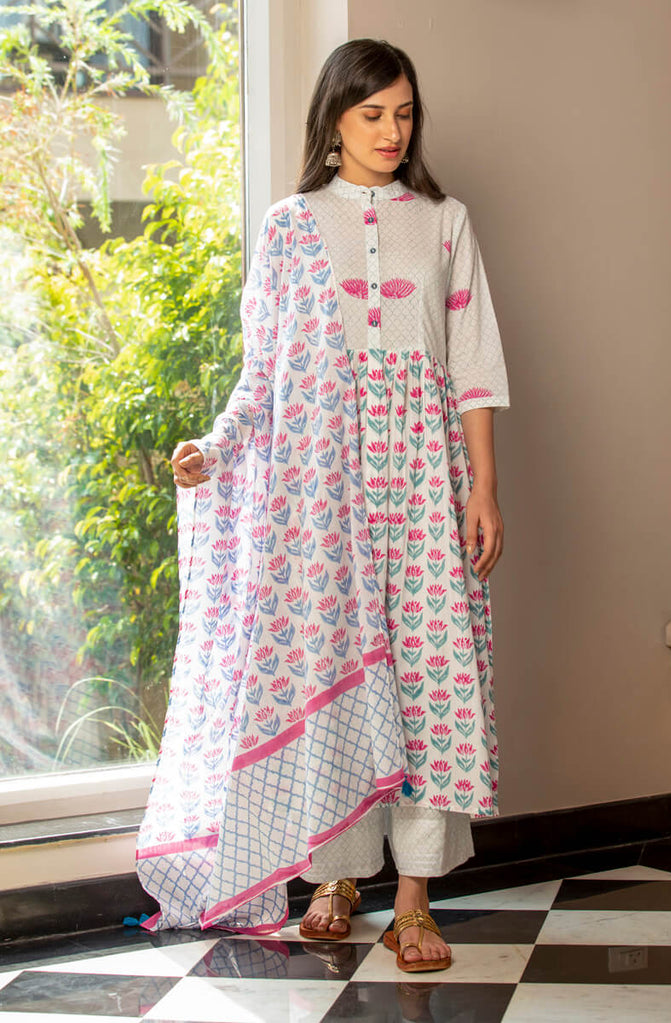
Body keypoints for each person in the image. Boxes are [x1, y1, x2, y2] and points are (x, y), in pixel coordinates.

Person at [136, 38, 509, 974]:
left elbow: (472, 364)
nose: (392, 131)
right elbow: (262, 377)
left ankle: (414, 898)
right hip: (321, 497)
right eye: (372, 114)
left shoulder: (445, 222)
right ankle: (334, 878)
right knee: (330, 678)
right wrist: (215, 448)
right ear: (333, 120)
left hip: (424, 486)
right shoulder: (291, 227)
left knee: (430, 683)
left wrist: (483, 488)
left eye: (404, 114)